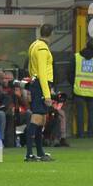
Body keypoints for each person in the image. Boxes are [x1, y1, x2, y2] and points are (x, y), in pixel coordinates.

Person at [25, 23, 55, 162]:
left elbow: (31, 68)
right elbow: (42, 72)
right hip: (41, 84)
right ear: (51, 34)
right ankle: (29, 154)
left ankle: (40, 152)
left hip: (37, 83)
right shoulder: (43, 48)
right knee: (37, 118)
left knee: (42, 119)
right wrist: (47, 94)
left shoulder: (34, 45)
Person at [72, 39, 93, 138]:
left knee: (79, 113)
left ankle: (80, 133)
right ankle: (91, 133)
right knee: (92, 113)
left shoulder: (76, 57)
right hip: (92, 89)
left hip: (78, 89)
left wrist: (74, 83)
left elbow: (70, 72)